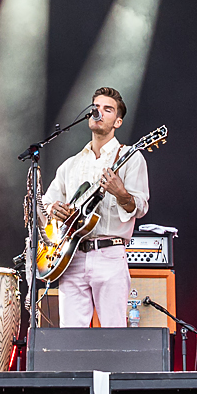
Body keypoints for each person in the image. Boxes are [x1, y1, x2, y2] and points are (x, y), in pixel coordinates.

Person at [43, 87, 151, 327]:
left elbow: (141, 206)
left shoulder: (131, 157)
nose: (98, 112)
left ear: (118, 121)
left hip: (109, 254)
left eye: (108, 109)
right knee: (71, 339)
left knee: (113, 337)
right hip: (71, 256)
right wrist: (53, 210)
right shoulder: (70, 165)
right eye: (96, 107)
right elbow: (45, 201)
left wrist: (121, 193)